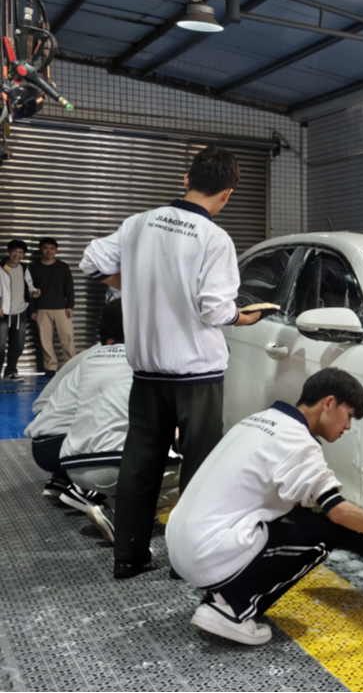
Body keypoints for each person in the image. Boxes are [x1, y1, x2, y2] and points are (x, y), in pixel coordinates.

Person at [80, 146, 264, 579]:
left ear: (186, 179)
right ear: (228, 193)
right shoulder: (214, 238)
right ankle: (187, 561)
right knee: (199, 469)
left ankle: (129, 557)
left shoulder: (138, 223)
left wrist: (136, 282)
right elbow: (214, 309)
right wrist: (245, 317)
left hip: (147, 373)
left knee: (139, 463)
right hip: (197, 376)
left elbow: (91, 261)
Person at [167, 368, 363, 646]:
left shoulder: (260, 419)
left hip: (180, 543)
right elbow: (339, 511)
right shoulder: (298, 442)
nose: (348, 427)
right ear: (328, 403)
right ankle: (232, 610)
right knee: (321, 537)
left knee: (298, 517)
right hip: (205, 553)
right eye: (349, 415)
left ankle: (222, 595)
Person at [58, 300, 180, 544]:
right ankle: (120, 512)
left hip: (73, 464)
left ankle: (110, 505)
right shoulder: (149, 360)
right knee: (199, 474)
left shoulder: (90, 358)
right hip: (117, 463)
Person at [25, 340, 105, 510]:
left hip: (44, 437)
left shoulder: (98, 351)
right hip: (63, 438)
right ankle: (90, 489)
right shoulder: (119, 358)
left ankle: (63, 477)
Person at [30, 237, 78, 376]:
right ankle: (50, 367)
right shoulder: (33, 267)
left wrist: (70, 305)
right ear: (40, 249)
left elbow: (69, 287)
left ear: (56, 250)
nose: (49, 251)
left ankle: (71, 365)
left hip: (61, 308)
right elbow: (29, 290)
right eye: (45, 248)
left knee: (67, 337)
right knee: (45, 340)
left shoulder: (63, 266)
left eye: (52, 248)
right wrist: (32, 309)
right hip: (41, 308)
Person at [1, 239, 40, 380]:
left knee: (17, 345)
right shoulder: (1, 267)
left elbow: (29, 286)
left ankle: (10, 371)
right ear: (8, 251)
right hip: (3, 312)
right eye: (15, 251)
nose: (17, 255)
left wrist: (34, 292)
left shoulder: (24, 268)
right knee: (0, 345)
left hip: (20, 312)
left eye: (21, 252)